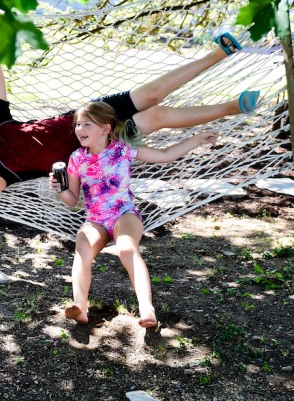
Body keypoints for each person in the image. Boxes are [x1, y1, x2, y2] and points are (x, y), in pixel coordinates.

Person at [0, 32, 255, 201]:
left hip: (91, 114)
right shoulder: (4, 171)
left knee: (152, 94)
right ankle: (231, 107)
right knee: (157, 116)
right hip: (102, 141)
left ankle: (218, 54)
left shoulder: (0, 123)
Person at [51, 100, 217, 328]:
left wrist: (196, 139)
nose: (80, 129)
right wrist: (60, 189)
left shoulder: (122, 150)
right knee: (82, 246)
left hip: (124, 214)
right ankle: (80, 307)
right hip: (95, 219)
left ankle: (147, 308)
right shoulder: (77, 158)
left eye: (87, 124)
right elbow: (72, 199)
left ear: (105, 129)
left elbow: (165, 154)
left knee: (126, 248)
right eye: (78, 124)